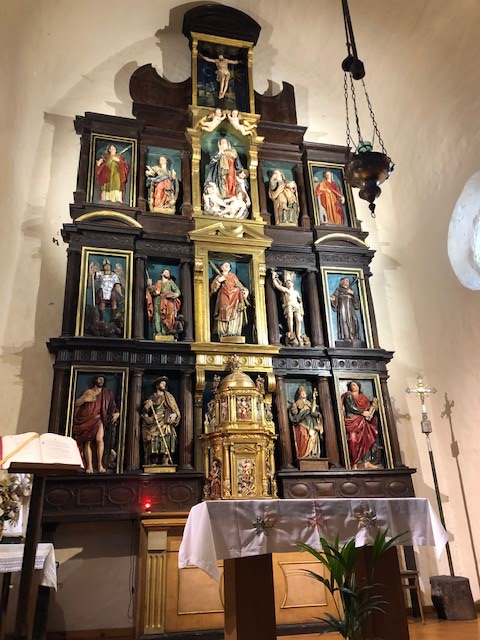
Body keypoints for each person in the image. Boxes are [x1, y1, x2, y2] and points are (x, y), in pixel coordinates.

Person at [73, 375, 120, 473]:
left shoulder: (107, 393)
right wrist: (85, 400)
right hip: (87, 419)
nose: (101, 380)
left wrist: (117, 413)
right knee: (88, 441)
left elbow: (112, 405)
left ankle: (100, 465)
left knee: (99, 440)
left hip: (99, 419)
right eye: (99, 379)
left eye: (102, 379)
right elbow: (76, 403)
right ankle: (89, 466)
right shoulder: (88, 392)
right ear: (95, 380)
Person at [141, 377, 181, 466]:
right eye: (162, 383)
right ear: (157, 385)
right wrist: (146, 407)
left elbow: (176, 410)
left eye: (164, 384)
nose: (164, 385)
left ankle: (165, 460)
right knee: (153, 439)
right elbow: (144, 412)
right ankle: (153, 461)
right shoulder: (152, 397)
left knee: (168, 438)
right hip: (155, 421)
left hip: (166, 421)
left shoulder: (169, 397)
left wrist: (175, 415)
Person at [342, 381, 381, 469]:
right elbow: (350, 407)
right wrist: (363, 412)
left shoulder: (363, 397)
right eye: (351, 385)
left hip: (363, 422)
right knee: (353, 440)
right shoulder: (349, 395)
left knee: (366, 439)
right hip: (353, 421)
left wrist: (373, 408)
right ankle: (353, 463)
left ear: (359, 386)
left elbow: (368, 408)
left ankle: (366, 462)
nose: (353, 387)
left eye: (354, 385)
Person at [210, 261, 249, 339]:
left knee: (235, 312)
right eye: (225, 265)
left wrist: (245, 290)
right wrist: (219, 281)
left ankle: (233, 331)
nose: (227, 266)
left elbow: (239, 285)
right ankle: (223, 331)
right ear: (221, 267)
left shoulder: (233, 276)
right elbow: (213, 289)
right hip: (224, 297)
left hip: (235, 297)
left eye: (228, 265)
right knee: (224, 312)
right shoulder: (219, 276)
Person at [271, 270, 306, 346]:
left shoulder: (296, 292)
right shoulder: (286, 290)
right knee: (290, 317)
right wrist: (273, 278)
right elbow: (278, 286)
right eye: (287, 283)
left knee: (298, 320)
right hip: (289, 305)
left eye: (289, 282)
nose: (288, 284)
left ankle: (298, 335)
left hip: (296, 306)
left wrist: (301, 309)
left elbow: (300, 301)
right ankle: (291, 332)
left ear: (293, 284)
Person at [288, 386, 323, 460]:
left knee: (313, 436)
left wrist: (314, 400)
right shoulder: (297, 403)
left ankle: (313, 453)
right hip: (302, 421)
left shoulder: (309, 403)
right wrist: (293, 406)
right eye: (302, 393)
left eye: (304, 393)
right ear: (299, 395)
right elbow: (295, 413)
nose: (304, 394)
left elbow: (314, 411)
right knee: (303, 435)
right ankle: (304, 454)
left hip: (312, 422)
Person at [146, 269, 181, 338]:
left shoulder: (171, 283)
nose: (167, 273)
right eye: (166, 272)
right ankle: (158, 332)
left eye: (168, 273)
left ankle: (165, 332)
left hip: (167, 302)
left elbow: (177, 291)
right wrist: (149, 285)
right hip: (158, 301)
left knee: (167, 316)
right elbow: (153, 292)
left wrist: (174, 295)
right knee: (157, 316)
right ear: (162, 274)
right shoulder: (158, 283)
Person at [330, 276, 360, 341]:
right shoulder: (338, 289)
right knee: (344, 319)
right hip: (342, 305)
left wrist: (353, 293)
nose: (347, 282)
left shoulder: (350, 290)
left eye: (348, 281)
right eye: (346, 280)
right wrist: (333, 299)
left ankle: (355, 336)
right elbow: (335, 296)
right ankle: (346, 336)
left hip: (350, 306)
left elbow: (356, 299)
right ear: (342, 282)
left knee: (354, 319)